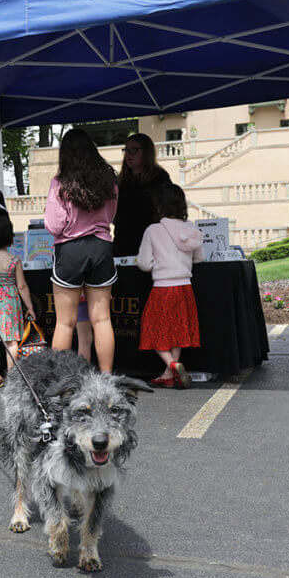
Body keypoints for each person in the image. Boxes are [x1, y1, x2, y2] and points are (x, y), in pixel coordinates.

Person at [44, 128, 118, 372]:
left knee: (65, 323)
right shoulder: (109, 181)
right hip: (101, 247)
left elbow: (54, 226)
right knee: (102, 319)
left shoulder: (61, 183)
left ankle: (60, 383)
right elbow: (112, 215)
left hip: (70, 250)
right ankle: (107, 379)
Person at [136, 183, 204, 388]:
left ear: (159, 206)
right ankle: (169, 374)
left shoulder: (153, 230)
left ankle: (172, 364)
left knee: (152, 331)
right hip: (185, 287)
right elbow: (200, 258)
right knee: (178, 333)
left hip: (162, 288)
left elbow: (144, 264)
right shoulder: (191, 229)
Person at [0, 214, 34, 388]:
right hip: (10, 304)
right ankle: (11, 378)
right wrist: (30, 307)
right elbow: (22, 286)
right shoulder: (14, 261)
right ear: (8, 236)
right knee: (11, 342)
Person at [112, 133, 172, 257]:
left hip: (151, 242)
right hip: (124, 243)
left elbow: (169, 207)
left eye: (133, 150)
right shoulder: (120, 181)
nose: (128, 154)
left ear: (146, 152)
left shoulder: (159, 177)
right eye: (126, 150)